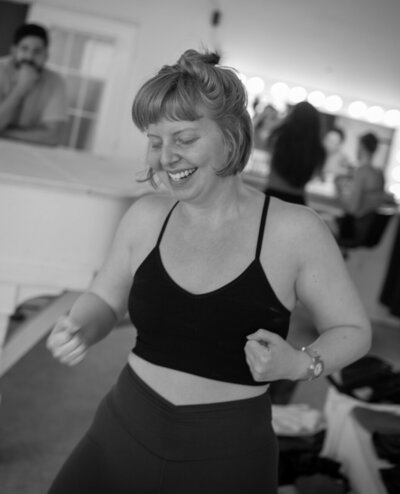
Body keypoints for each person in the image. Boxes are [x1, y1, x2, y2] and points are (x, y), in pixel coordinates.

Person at [46, 49, 372, 494]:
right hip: (123, 428)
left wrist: (299, 364)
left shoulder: (295, 230)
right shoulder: (146, 217)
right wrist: (82, 325)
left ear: (230, 136)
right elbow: (105, 296)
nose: (166, 157)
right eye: (155, 140)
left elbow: (352, 328)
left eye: (184, 138)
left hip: (229, 453)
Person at [0, 23, 68, 146]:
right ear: (14, 51)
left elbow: (53, 136)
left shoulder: (56, 81)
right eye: (24, 49)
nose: (30, 57)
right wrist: (20, 89)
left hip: (30, 153)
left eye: (37, 51)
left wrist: (4, 132)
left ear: (46, 55)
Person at [264, 101, 326, 205]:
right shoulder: (318, 149)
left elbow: (268, 154)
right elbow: (316, 175)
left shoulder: (279, 137)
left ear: (291, 116)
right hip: (297, 201)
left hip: (271, 195)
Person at [335, 132, 385, 243]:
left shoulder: (361, 172)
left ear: (361, 147)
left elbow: (352, 208)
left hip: (354, 230)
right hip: (369, 229)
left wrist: (338, 189)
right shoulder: (379, 173)